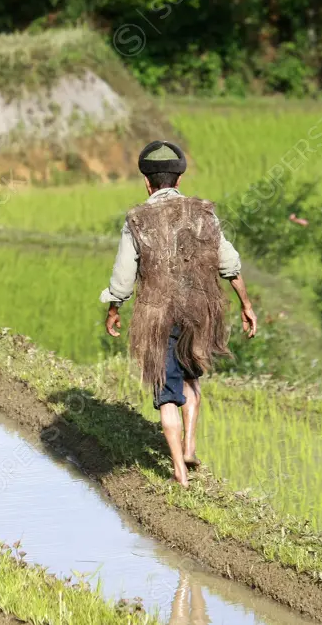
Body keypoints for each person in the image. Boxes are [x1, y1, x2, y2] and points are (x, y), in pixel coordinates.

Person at [101, 140, 257, 488]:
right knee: (191, 379)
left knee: (165, 390)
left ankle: (179, 473)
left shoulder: (137, 219)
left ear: (147, 183)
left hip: (156, 315)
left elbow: (124, 276)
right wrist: (246, 305)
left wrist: (114, 309)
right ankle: (190, 445)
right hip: (199, 310)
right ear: (179, 179)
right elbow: (228, 263)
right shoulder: (203, 213)